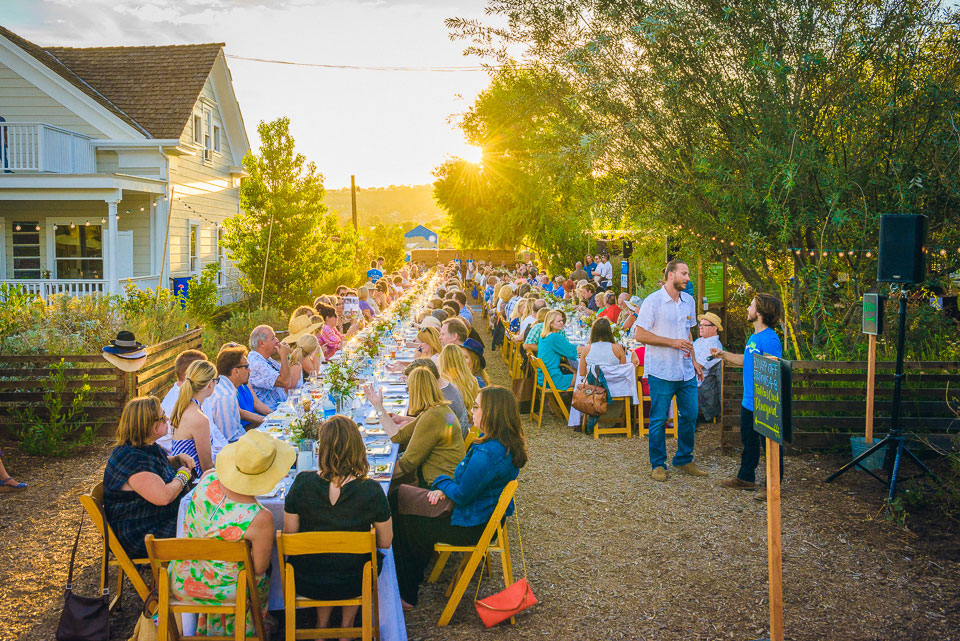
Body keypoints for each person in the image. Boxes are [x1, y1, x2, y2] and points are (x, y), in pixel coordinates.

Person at [393, 386, 526, 609]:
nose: (471, 411)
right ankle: (404, 581)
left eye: (476, 407)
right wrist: (447, 487)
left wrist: (441, 483)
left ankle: (406, 592)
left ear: (491, 413)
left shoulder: (487, 453)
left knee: (403, 517)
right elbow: (468, 485)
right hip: (479, 515)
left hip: (471, 524)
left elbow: (463, 495)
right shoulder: (502, 444)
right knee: (399, 497)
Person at [169, 430, 292, 637]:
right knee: (263, 572)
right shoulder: (259, 517)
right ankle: (254, 625)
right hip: (228, 591)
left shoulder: (207, 480)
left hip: (182, 579)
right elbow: (259, 570)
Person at [283, 416, 392, 631]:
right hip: (355, 579)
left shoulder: (302, 483)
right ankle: (347, 626)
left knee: (325, 560)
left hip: (307, 578)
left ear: (320, 449)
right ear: (358, 448)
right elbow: (386, 542)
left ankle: (322, 625)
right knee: (356, 560)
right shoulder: (371, 490)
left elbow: (290, 535)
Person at [633, 260, 707, 481]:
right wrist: (672, 343)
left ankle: (684, 458)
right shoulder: (653, 301)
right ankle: (658, 464)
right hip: (662, 370)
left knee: (691, 415)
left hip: (686, 371)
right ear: (671, 274)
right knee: (658, 419)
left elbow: (688, 334)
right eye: (684, 273)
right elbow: (640, 335)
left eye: (688, 274)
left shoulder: (689, 301)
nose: (687, 278)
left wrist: (694, 360)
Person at [103, 396, 194, 558]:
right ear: (148, 425)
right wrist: (182, 476)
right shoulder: (132, 460)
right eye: (161, 417)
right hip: (141, 533)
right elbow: (164, 496)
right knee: (202, 528)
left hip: (155, 520)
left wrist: (176, 459)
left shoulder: (144, 447)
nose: (166, 419)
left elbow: (157, 465)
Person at [713, 294, 784, 490]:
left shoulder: (769, 339)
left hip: (764, 403)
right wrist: (723, 354)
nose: (747, 309)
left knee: (770, 446)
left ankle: (773, 487)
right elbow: (747, 361)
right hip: (749, 401)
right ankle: (746, 478)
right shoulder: (754, 337)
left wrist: (768, 404)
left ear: (760, 312)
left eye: (751, 306)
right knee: (749, 442)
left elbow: (771, 373)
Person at [365, 368, 464, 487]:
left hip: (441, 486)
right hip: (445, 480)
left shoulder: (433, 417)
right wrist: (378, 406)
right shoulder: (436, 410)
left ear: (416, 391)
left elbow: (407, 464)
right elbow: (398, 436)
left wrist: (371, 478)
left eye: (408, 389)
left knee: (393, 492)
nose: (408, 393)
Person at [170, 359, 219, 474]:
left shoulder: (182, 408)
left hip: (182, 476)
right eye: (217, 380)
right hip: (194, 481)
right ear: (210, 384)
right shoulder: (199, 419)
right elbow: (206, 466)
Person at [405, 358, 470, 437]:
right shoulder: (447, 387)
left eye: (412, 385)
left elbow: (442, 435)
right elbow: (433, 424)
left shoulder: (444, 402)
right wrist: (403, 419)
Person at [203, 346, 248, 443]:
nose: (250, 370)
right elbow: (230, 438)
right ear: (235, 371)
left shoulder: (225, 388)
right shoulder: (225, 396)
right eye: (246, 367)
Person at [248, 325, 298, 411]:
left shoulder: (267, 359)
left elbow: (286, 378)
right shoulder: (256, 364)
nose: (277, 341)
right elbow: (285, 382)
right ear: (261, 343)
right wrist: (284, 356)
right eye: (272, 338)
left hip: (280, 411)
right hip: (270, 416)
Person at [437, 345, 480, 430]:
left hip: (454, 428)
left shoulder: (446, 386)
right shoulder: (472, 380)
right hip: (470, 424)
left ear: (442, 361)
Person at [536, 310, 578, 392]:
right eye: (559, 321)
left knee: (578, 373)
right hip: (553, 379)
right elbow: (572, 352)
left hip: (543, 378)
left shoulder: (544, 336)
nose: (562, 323)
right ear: (551, 323)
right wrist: (590, 348)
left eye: (562, 320)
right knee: (585, 378)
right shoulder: (555, 337)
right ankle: (577, 403)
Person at [693, 312, 724, 422]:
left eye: (704, 325)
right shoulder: (699, 341)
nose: (700, 327)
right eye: (700, 325)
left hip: (698, 381)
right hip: (690, 377)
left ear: (714, 328)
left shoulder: (714, 344)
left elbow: (698, 366)